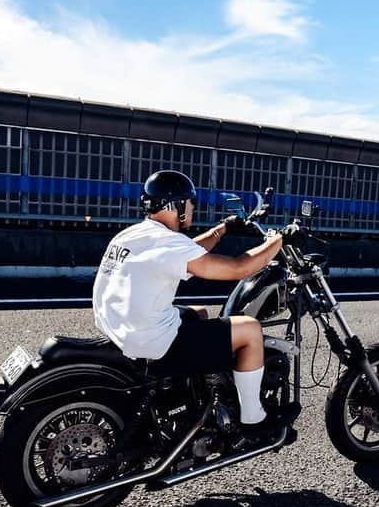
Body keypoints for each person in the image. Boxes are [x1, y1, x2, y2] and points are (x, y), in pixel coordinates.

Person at [92, 170, 285, 433]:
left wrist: (224, 228)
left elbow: (186, 251)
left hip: (120, 329)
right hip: (150, 341)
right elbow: (239, 268)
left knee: (199, 312)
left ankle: (192, 392)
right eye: (190, 202)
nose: (193, 208)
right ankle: (254, 419)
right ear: (177, 206)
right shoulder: (167, 244)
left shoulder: (134, 235)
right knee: (250, 329)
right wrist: (278, 241)